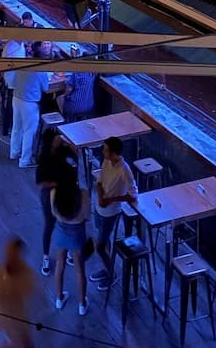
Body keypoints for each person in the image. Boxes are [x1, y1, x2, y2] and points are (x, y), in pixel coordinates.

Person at [89, 136, 138, 291]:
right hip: (99, 208)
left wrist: (111, 200)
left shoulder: (125, 170)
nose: (103, 152)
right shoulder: (106, 161)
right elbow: (99, 182)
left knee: (100, 246)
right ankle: (107, 268)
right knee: (104, 241)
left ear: (114, 152)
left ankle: (112, 274)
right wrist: (100, 196)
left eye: (105, 149)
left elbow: (133, 195)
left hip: (110, 212)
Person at [0, 237, 37, 348]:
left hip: (19, 322)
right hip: (3, 323)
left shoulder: (26, 273)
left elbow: (27, 296)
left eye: (16, 256)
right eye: (10, 255)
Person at [51, 160, 91, 316]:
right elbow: (86, 216)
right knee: (80, 270)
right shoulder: (83, 194)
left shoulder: (54, 193)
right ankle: (82, 304)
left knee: (59, 265)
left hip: (60, 231)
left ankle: (59, 298)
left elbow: (54, 213)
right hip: (77, 234)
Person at [35, 127, 74, 276]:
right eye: (57, 137)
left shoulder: (63, 150)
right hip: (50, 194)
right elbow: (41, 181)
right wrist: (59, 183)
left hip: (64, 192)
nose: (60, 138)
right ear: (51, 141)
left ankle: (68, 250)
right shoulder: (44, 158)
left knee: (66, 223)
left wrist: (69, 145)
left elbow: (74, 156)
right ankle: (45, 256)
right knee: (49, 224)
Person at [10, 65, 50, 169]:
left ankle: (14, 152)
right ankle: (25, 161)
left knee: (16, 127)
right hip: (30, 102)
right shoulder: (40, 69)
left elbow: (13, 82)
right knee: (29, 132)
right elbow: (46, 88)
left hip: (16, 98)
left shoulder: (23, 64)